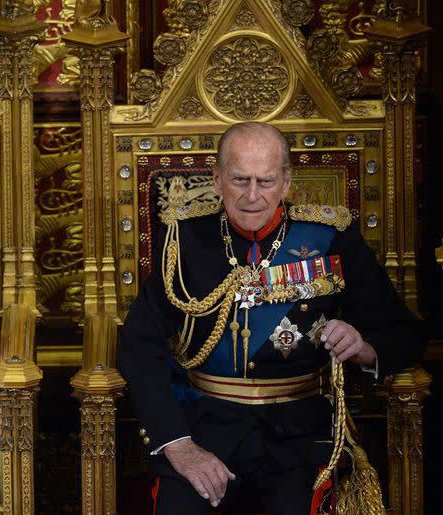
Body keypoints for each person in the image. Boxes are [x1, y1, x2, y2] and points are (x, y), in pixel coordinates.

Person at [118, 121, 424, 514]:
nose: (251, 196)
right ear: (216, 179)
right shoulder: (183, 238)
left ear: (286, 182)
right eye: (239, 179)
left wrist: (363, 348)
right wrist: (179, 445)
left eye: (265, 181)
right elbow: (139, 346)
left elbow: (405, 334)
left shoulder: (329, 236)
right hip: (206, 426)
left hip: (300, 433)